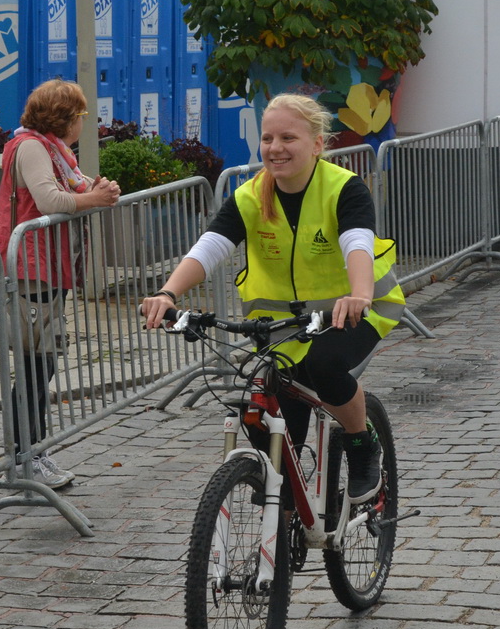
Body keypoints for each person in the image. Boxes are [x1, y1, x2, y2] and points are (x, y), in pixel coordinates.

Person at [138, 93, 405, 504]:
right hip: (282, 325)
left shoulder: (342, 188)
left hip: (352, 313)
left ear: (317, 143)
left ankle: (360, 443)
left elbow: (358, 243)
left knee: (324, 366)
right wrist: (167, 293)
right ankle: (282, 517)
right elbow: (210, 247)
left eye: (288, 138)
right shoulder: (249, 196)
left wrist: (360, 293)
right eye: (267, 138)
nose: (275, 148)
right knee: (271, 416)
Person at [0, 80, 120, 489]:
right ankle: (25, 454)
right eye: (81, 116)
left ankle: (31, 451)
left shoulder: (51, 149)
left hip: (45, 263)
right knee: (35, 364)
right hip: (31, 263)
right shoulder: (31, 148)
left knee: (39, 362)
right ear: (63, 118)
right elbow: (50, 201)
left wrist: (96, 190)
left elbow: (70, 188)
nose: (84, 123)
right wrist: (92, 200)